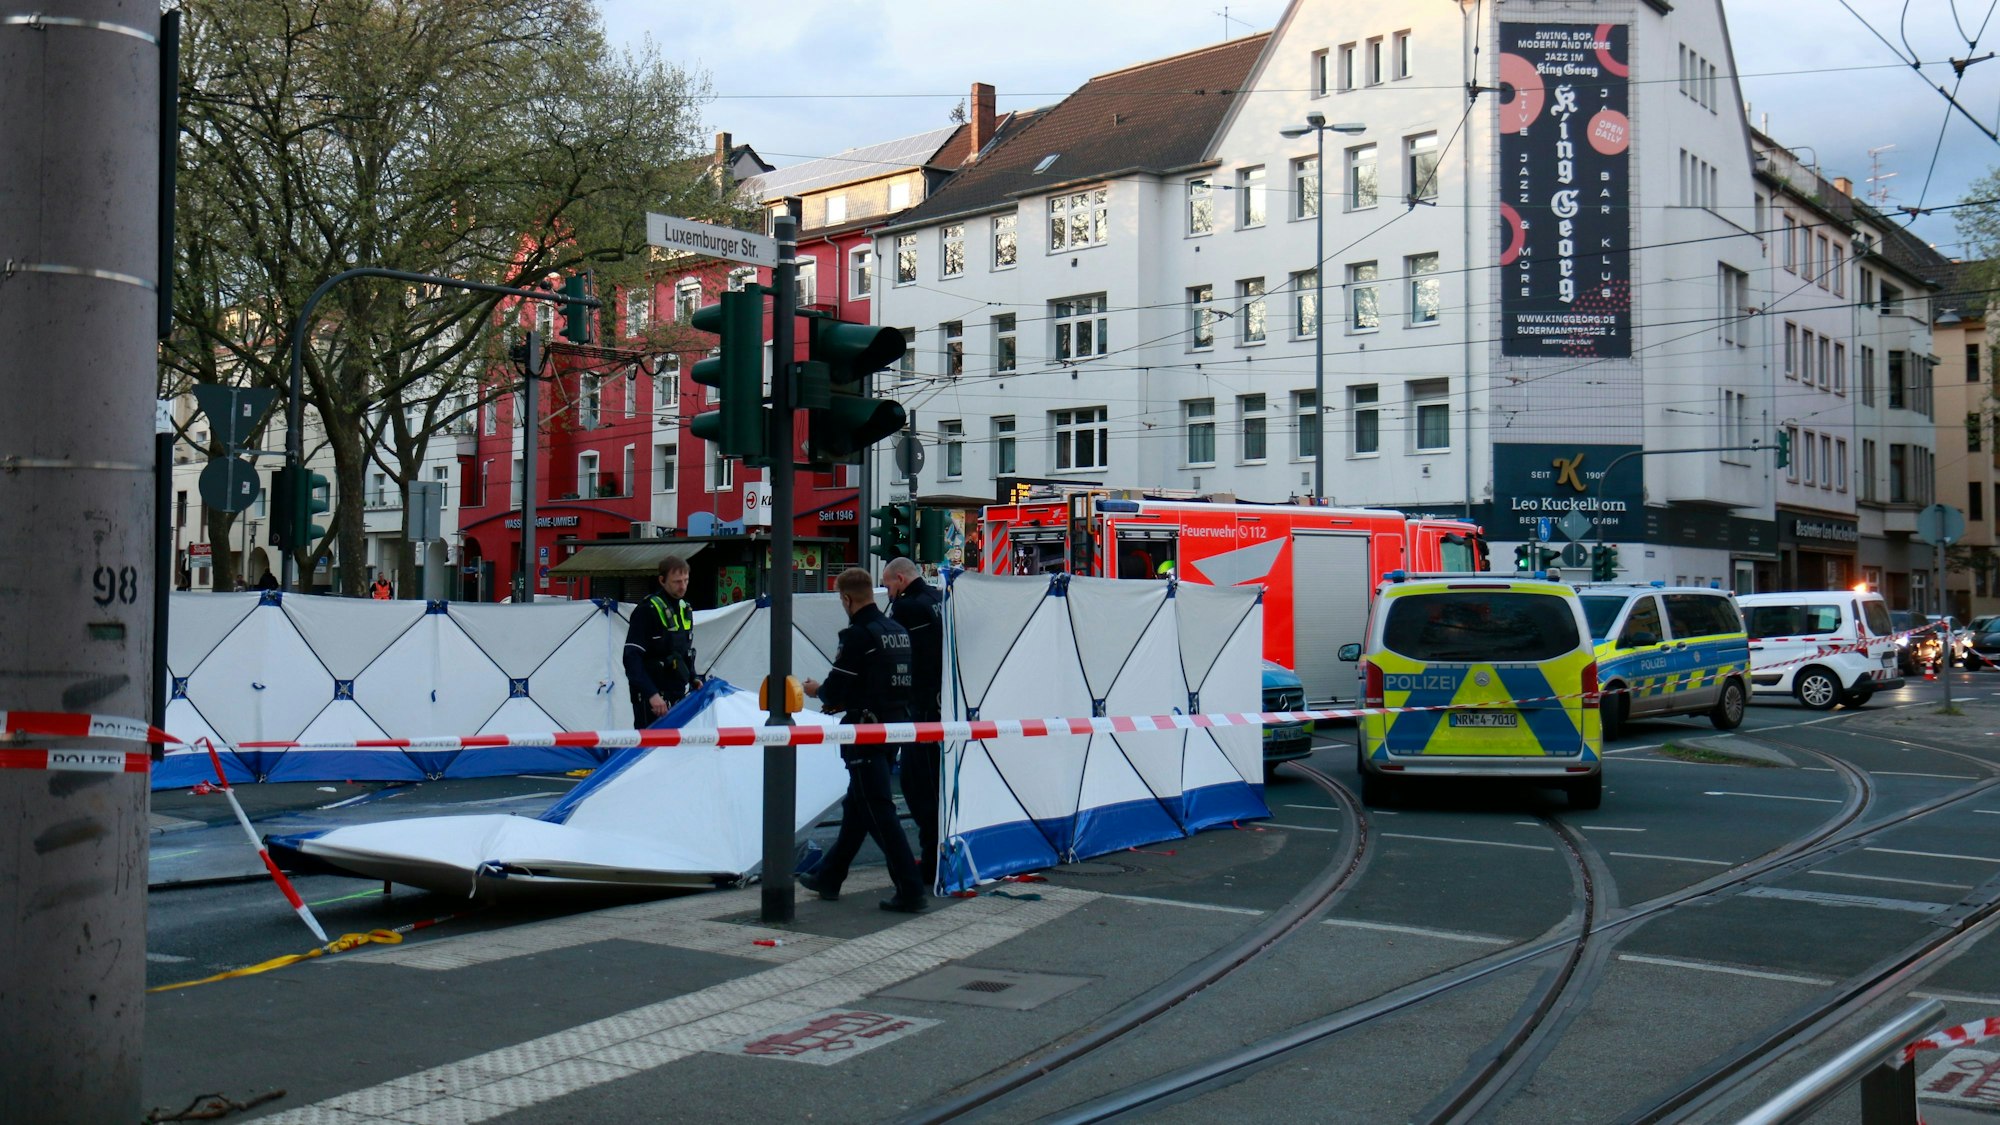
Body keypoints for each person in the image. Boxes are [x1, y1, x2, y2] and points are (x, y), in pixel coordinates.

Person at [800, 567, 927, 913]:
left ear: (846, 598)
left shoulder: (858, 635)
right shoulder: (896, 631)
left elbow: (835, 689)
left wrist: (815, 690)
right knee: (857, 809)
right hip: (893, 729)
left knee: (878, 812)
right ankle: (830, 876)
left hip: (864, 733)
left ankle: (910, 889)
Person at [883, 557, 944, 886]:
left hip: (920, 708)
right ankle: (935, 855)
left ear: (901, 579)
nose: (887, 591)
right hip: (941, 706)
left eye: (888, 583)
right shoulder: (938, 600)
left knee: (916, 787)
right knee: (932, 786)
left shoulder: (908, 609)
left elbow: (901, 660)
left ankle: (930, 861)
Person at [623, 555, 699, 727]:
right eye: (677, 581)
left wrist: (694, 677)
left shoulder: (684, 609)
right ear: (662, 580)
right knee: (649, 750)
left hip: (678, 695)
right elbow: (631, 658)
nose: (683, 586)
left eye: (686, 580)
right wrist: (652, 695)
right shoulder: (646, 610)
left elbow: (683, 653)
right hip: (653, 701)